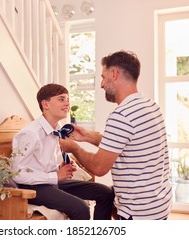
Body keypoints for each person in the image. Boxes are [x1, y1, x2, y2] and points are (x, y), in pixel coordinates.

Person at [60, 50, 173, 220]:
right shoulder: (150, 106)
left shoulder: (121, 116)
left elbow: (99, 167)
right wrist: (88, 137)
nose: (102, 84)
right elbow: (128, 144)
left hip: (138, 212)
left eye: (103, 77)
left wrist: (74, 148)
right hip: (158, 203)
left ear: (114, 74)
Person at [11, 83, 114, 220]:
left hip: (50, 182)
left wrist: (59, 169)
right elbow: (17, 174)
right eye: (61, 99)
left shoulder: (58, 129)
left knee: (105, 193)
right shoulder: (30, 133)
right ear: (45, 104)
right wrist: (55, 176)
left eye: (68, 100)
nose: (67, 104)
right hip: (32, 187)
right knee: (81, 207)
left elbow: (43, 163)